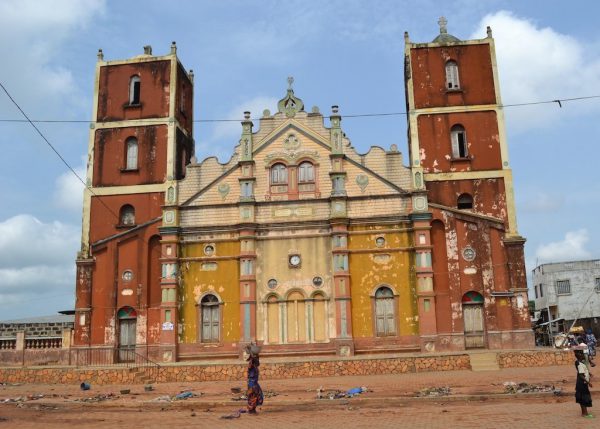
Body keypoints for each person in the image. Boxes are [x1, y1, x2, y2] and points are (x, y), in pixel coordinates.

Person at [245, 343, 264, 414]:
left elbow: (258, 362)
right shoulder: (252, 363)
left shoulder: (254, 363)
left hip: (253, 382)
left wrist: (254, 355)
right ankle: (251, 410)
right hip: (252, 383)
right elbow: (255, 361)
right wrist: (252, 354)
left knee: (256, 395)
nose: (257, 360)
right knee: (253, 396)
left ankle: (252, 410)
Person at [574, 349, 594, 418]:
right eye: (582, 354)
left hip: (581, 383)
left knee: (582, 398)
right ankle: (585, 413)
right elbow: (581, 375)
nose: (584, 355)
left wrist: (589, 373)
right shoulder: (579, 363)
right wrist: (588, 382)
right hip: (582, 383)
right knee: (584, 398)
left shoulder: (579, 362)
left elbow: (582, 371)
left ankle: (584, 413)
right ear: (579, 356)